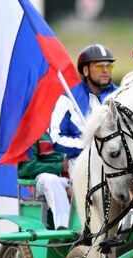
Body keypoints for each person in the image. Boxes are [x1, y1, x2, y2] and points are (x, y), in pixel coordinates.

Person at [49, 44, 118, 175]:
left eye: (109, 65)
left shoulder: (121, 95)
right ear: (85, 70)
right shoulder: (68, 99)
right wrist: (89, 147)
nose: (106, 70)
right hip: (80, 159)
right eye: (99, 66)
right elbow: (56, 138)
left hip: (117, 159)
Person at [18, 132, 71, 229]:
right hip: (41, 181)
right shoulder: (33, 132)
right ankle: (64, 227)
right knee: (52, 180)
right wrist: (59, 166)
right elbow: (26, 168)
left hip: (67, 180)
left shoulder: (70, 129)